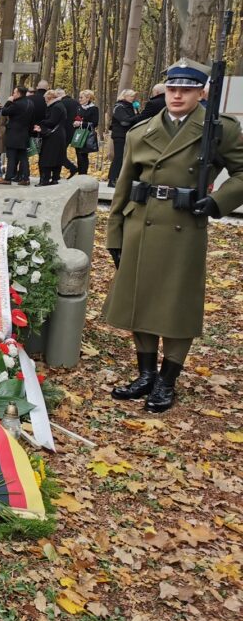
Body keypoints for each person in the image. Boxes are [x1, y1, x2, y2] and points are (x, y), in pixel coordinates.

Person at [104, 58, 243, 413]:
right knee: (142, 299)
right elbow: (123, 187)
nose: (177, 95)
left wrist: (216, 202)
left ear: (201, 92)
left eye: (186, 89)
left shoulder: (218, 129)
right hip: (141, 223)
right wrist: (115, 234)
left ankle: (167, 381)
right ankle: (146, 374)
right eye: (173, 88)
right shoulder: (141, 131)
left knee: (176, 305)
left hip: (185, 225)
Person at [0, 86, 34, 186]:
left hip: (14, 133)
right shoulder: (30, 103)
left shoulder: (16, 104)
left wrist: (9, 101)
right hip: (24, 133)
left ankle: (8, 178)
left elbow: (4, 112)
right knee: (23, 157)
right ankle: (26, 178)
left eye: (14, 93)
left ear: (18, 94)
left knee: (12, 157)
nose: (13, 94)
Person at [34, 90, 67, 186]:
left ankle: (45, 180)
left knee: (47, 158)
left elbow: (52, 121)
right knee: (56, 158)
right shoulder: (59, 105)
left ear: (50, 98)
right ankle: (55, 178)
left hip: (53, 136)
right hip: (58, 135)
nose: (44, 101)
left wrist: (41, 123)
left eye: (45, 99)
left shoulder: (56, 107)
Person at [109, 89, 137, 187]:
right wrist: (138, 117)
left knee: (124, 158)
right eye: (131, 96)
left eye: (133, 96)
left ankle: (120, 178)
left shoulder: (131, 107)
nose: (133, 98)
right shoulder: (119, 107)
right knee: (119, 157)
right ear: (124, 96)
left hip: (128, 135)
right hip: (120, 135)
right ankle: (112, 179)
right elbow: (124, 121)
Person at [69, 89, 98, 177]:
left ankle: (83, 175)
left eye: (81, 97)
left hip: (87, 135)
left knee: (83, 155)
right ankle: (80, 175)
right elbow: (74, 118)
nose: (80, 99)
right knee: (78, 154)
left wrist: (81, 123)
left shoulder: (94, 109)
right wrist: (74, 123)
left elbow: (95, 123)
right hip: (78, 133)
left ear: (88, 98)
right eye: (79, 97)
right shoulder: (78, 107)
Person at [56, 89, 79, 176]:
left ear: (59, 95)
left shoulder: (61, 104)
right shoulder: (75, 102)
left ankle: (71, 167)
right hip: (73, 130)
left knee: (59, 152)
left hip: (63, 131)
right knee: (61, 152)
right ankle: (71, 168)